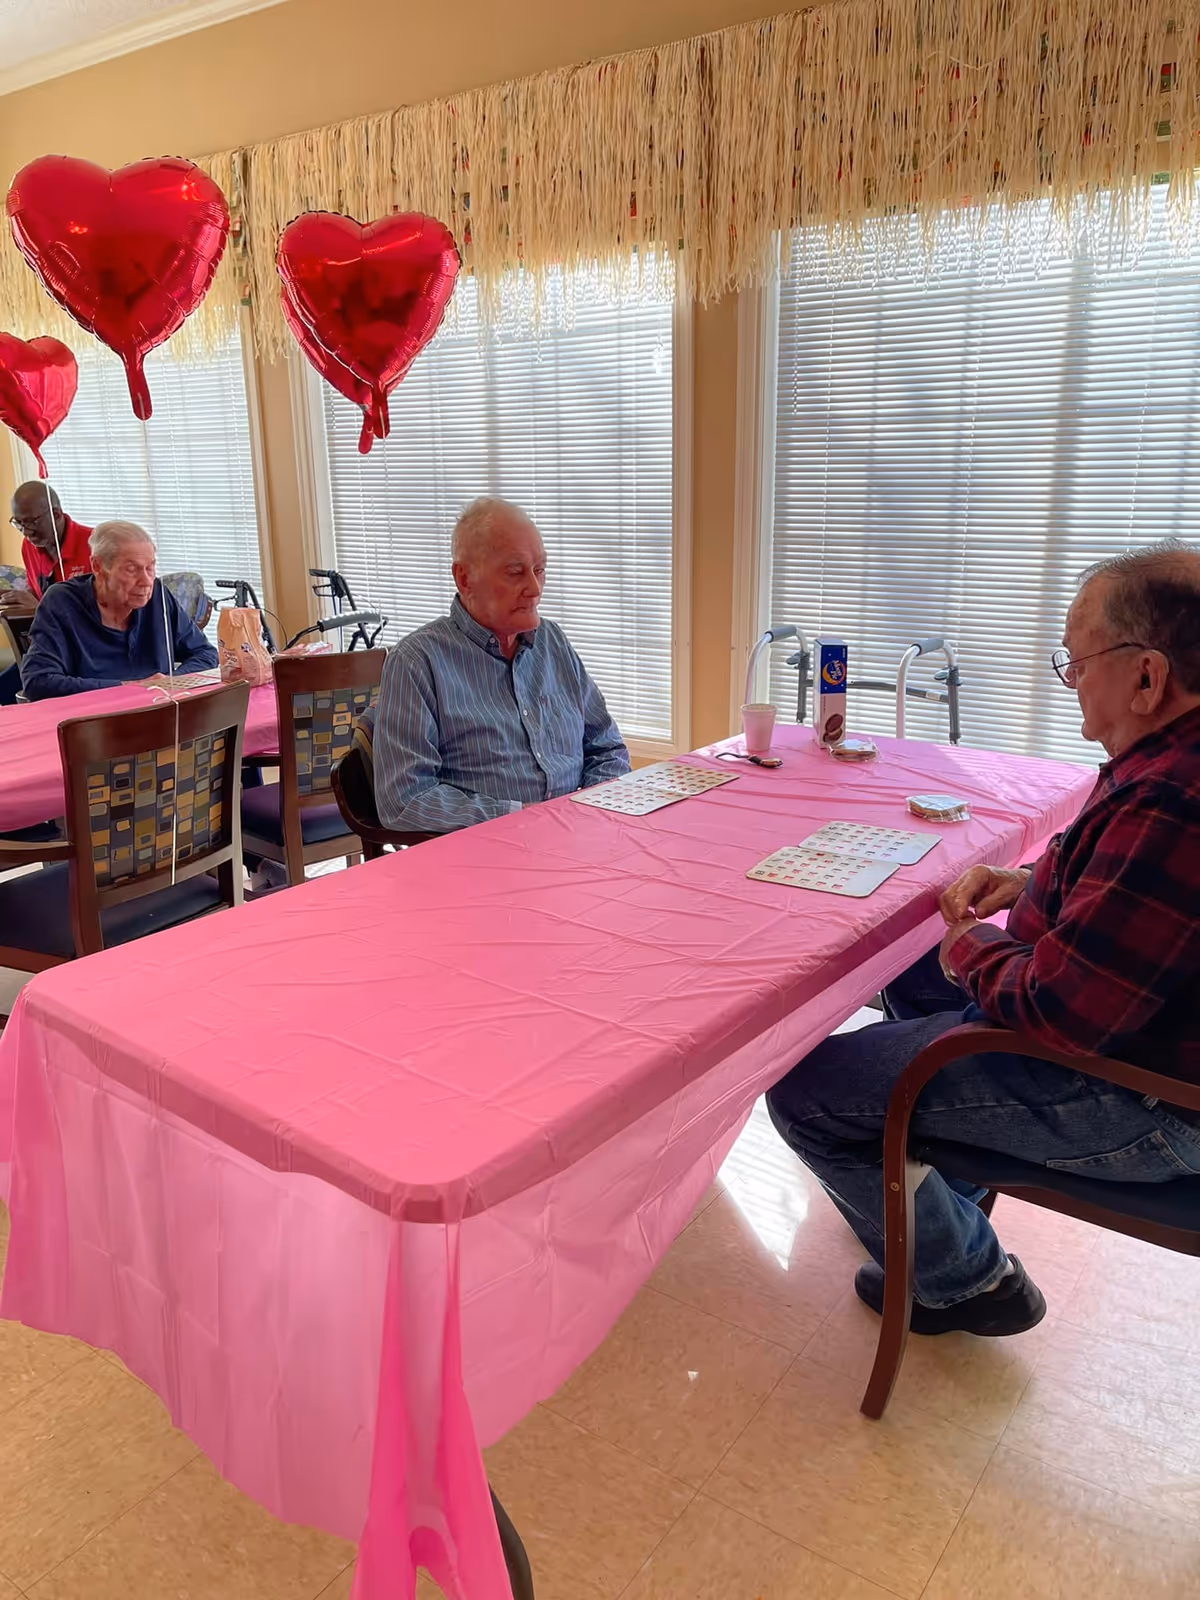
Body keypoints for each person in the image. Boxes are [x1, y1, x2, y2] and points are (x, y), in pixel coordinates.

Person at [766, 540, 1200, 1339]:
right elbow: (1134, 901)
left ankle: (965, 1278)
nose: (1069, 680)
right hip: (1134, 1033)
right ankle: (933, 1185)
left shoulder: (1174, 800)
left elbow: (1060, 1010)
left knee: (804, 1093)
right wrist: (1031, 885)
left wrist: (966, 941)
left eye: (1077, 662)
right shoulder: (1168, 758)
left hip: (1146, 1102)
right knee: (909, 977)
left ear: (1147, 678)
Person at [360, 497, 630, 832]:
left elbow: (607, 749)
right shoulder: (418, 662)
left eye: (540, 570)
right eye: (515, 572)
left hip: (575, 839)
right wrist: (525, 819)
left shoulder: (552, 642)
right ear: (465, 579)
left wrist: (590, 812)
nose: (534, 588)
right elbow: (405, 800)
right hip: (483, 858)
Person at [20, 520, 217, 701]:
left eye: (150, 568)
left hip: (158, 715)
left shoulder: (158, 596)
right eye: (132, 569)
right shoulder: (62, 602)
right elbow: (38, 681)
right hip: (90, 724)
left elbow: (205, 654)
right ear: (97, 566)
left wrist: (168, 684)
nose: (147, 581)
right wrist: (129, 687)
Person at [0, 482, 92, 704]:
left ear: (57, 514)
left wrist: (38, 607)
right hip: (46, 650)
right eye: (19, 523)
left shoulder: (94, 545)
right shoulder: (29, 546)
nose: (27, 532)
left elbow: (97, 618)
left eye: (32, 522)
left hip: (85, 656)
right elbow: (39, 593)